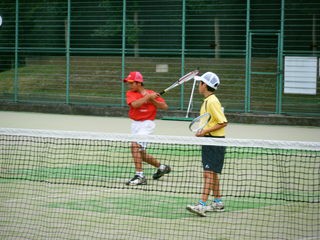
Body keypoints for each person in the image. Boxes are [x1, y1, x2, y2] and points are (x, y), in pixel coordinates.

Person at [186, 72, 228, 217]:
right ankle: (217, 202)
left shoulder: (212, 101)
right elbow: (211, 122)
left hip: (215, 142)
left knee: (208, 173)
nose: (198, 85)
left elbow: (223, 122)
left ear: (204, 85)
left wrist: (205, 132)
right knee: (212, 173)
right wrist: (202, 131)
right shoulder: (207, 101)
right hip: (209, 140)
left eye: (200, 83)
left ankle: (201, 205)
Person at [124, 71, 171, 186]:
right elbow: (135, 104)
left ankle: (140, 176)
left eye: (131, 83)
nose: (129, 85)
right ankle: (162, 167)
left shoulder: (151, 94)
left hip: (147, 124)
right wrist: (147, 97)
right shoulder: (130, 93)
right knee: (141, 154)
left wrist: (152, 99)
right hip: (135, 124)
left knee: (134, 145)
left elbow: (165, 107)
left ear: (138, 83)